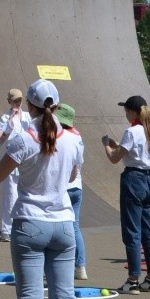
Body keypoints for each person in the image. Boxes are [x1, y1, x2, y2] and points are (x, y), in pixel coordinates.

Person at [0, 79, 82, 299]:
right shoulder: (72, 138)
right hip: (64, 224)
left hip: (30, 222)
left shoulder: (23, 138)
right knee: (64, 296)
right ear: (55, 104)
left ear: (30, 106)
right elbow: (71, 175)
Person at [103, 95, 150, 295]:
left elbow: (114, 158)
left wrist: (106, 144)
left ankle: (133, 279)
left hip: (134, 180)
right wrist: (117, 144)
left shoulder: (132, 131)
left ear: (133, 112)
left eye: (127, 110)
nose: (125, 114)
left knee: (132, 232)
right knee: (149, 231)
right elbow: (136, 152)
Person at [0, 89, 31, 241]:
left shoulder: (27, 116)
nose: (18, 103)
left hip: (26, 159)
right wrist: (10, 122)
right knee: (10, 196)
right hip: (11, 157)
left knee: (26, 194)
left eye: (19, 100)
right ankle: (7, 230)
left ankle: (24, 226)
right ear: (9, 101)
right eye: (15, 100)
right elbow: (1, 138)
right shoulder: (5, 117)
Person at [56, 103, 87, 280]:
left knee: (59, 227)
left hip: (64, 187)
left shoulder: (61, 137)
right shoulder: (77, 136)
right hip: (77, 186)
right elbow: (78, 164)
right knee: (74, 227)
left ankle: (61, 267)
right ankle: (80, 267)